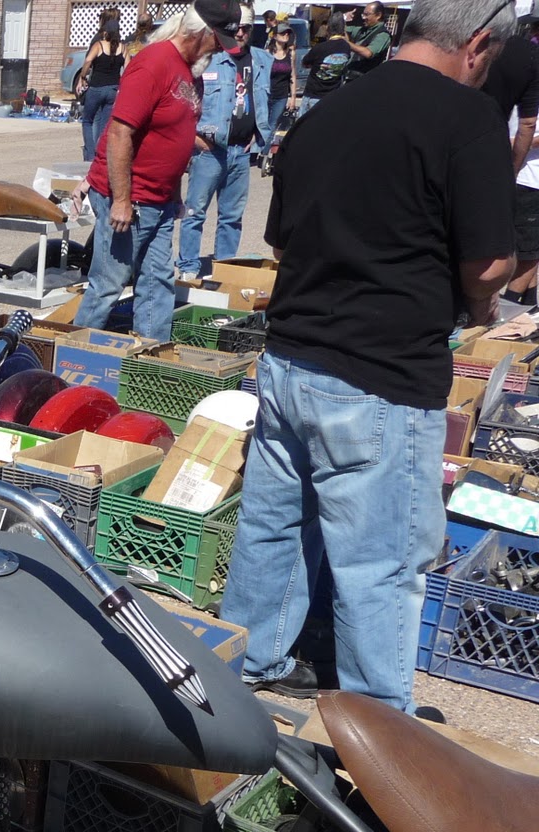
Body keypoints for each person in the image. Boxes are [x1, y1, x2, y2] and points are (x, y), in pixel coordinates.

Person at [220, 0, 516, 711]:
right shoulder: (466, 120)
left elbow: (283, 245)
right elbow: (485, 266)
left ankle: (248, 666)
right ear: (477, 45)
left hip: (292, 359)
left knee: (273, 529)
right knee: (379, 564)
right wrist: (484, 299)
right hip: (380, 374)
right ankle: (384, 730)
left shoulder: (326, 111)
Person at [73, 0, 235, 342]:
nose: (220, 48)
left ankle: (149, 354)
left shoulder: (189, 71)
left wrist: (174, 195)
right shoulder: (153, 63)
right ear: (199, 32)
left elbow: (172, 138)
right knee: (109, 284)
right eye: (217, 39)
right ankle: (72, 357)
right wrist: (121, 200)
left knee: (158, 279)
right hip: (130, 199)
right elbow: (119, 132)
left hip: (158, 201)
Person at [176, 5, 273, 281]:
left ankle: (225, 268)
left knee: (231, 217)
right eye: (237, 28)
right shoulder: (210, 60)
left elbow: (268, 99)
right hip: (209, 151)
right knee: (195, 212)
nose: (241, 33)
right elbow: (184, 101)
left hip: (241, 152)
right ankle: (189, 267)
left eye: (246, 29)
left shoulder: (261, 60)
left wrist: (260, 133)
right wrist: (193, 137)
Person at [482, 14, 539, 304]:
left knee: (527, 252)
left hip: (527, 174)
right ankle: (519, 309)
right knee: (526, 250)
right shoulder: (524, 61)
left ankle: (513, 310)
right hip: (522, 171)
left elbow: (530, 127)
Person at [77, 18, 125, 161]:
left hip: (96, 88)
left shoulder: (99, 45)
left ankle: (90, 155)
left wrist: (83, 76)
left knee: (88, 121)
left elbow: (87, 61)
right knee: (104, 125)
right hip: (112, 90)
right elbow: (128, 69)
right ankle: (100, 155)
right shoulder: (123, 48)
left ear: (105, 33)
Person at [300, 14, 353, 113]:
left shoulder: (320, 47)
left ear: (327, 28)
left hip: (313, 95)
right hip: (332, 96)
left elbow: (305, 63)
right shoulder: (346, 47)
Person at [344, 2, 395, 78]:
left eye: (367, 14)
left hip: (363, 78)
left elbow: (368, 53)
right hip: (349, 75)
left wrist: (346, 43)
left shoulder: (383, 35)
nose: (363, 17)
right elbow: (343, 30)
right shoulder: (362, 30)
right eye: (363, 14)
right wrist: (344, 18)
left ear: (378, 15)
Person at [267, 20, 301, 116]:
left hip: (281, 96)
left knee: (273, 123)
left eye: (288, 33)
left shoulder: (291, 54)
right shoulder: (267, 53)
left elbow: (293, 76)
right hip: (267, 94)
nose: (286, 35)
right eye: (282, 33)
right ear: (274, 36)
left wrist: (293, 98)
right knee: (263, 124)